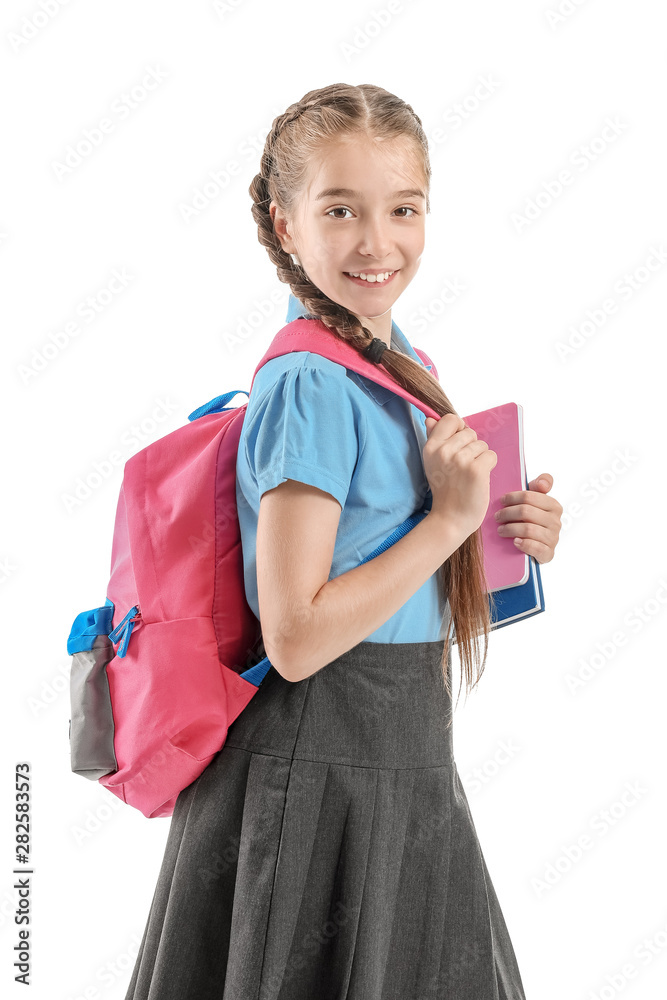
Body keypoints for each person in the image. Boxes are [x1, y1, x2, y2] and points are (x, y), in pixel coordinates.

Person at [124, 82, 563, 1000]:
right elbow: (296, 636)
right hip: (319, 755)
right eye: (340, 210)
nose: (377, 241)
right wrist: (445, 520)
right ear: (286, 226)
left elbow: (391, 583)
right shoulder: (310, 385)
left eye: (403, 209)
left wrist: (494, 535)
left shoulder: (401, 364)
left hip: (400, 747)